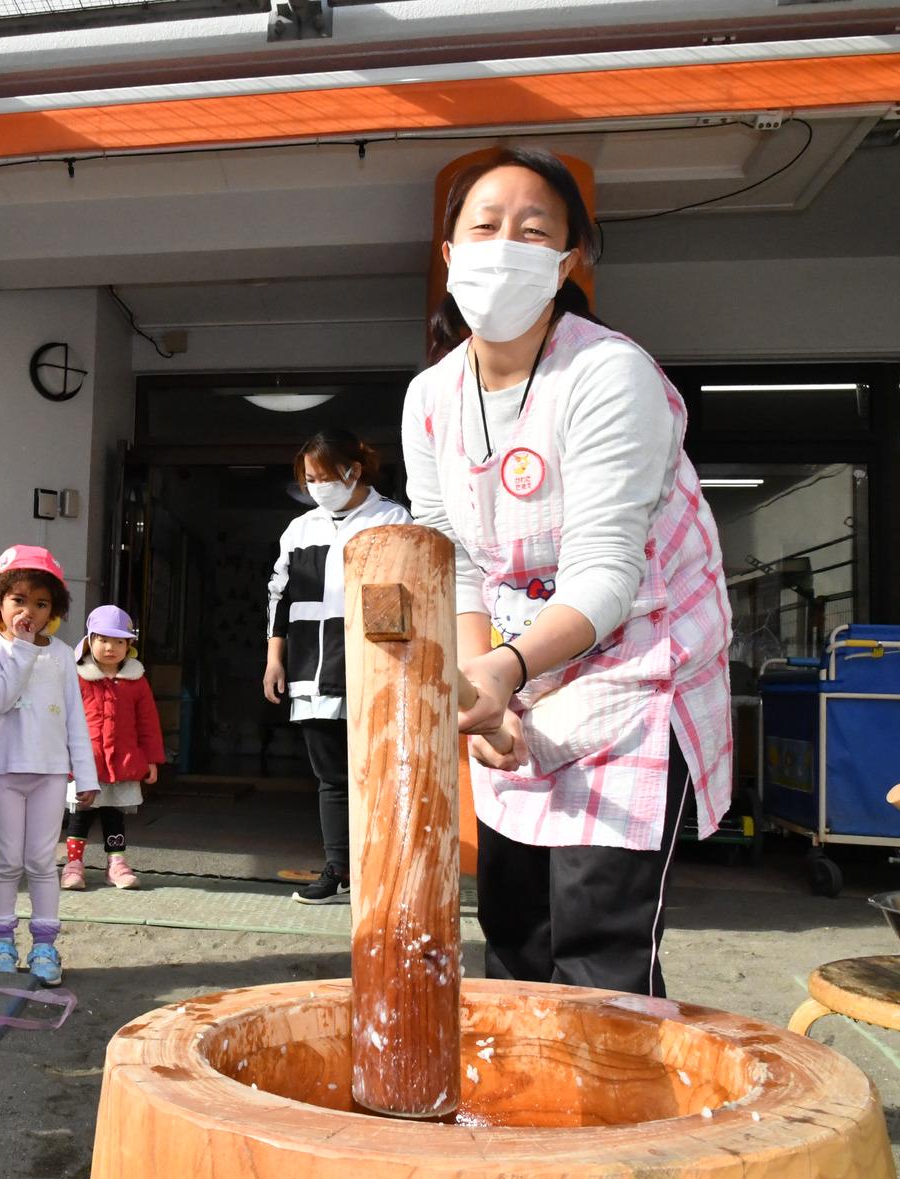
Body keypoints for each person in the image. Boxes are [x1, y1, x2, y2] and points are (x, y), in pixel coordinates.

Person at [401, 147, 732, 997]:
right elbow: (451, 561)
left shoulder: (607, 373)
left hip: (631, 670)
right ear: (449, 254)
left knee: (598, 952)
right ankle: (519, 1126)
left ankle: (611, 1125)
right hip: (514, 668)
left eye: (533, 228)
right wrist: (489, 689)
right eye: (484, 225)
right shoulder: (431, 398)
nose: (504, 243)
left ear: (566, 258)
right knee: (514, 937)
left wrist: (502, 670)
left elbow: (606, 574)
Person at [263, 429, 411, 904]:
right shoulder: (300, 529)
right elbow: (278, 598)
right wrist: (274, 659)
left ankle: (386, 872)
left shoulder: (392, 520)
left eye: (326, 476)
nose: (318, 486)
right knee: (330, 775)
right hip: (310, 664)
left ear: (354, 469)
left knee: (380, 770)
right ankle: (338, 871)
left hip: (374, 666)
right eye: (310, 479)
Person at [0, 545, 98, 985]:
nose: (29, 610)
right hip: (3, 769)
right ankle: (1, 941)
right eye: (18, 600)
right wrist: (23, 648)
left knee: (43, 863)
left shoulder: (64, 654)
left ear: (54, 609)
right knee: (7, 862)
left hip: (49, 772)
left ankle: (45, 945)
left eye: (41, 603)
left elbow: (75, 717)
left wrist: (86, 774)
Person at [62, 605, 164, 891]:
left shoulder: (136, 682)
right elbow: (63, 720)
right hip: (85, 761)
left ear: (129, 646)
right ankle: (73, 865)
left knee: (113, 814)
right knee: (80, 814)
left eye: (119, 641)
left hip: (123, 761)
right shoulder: (77, 677)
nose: (111, 647)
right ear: (89, 640)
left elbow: (148, 723)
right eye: (103, 640)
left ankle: (116, 864)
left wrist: (152, 759)